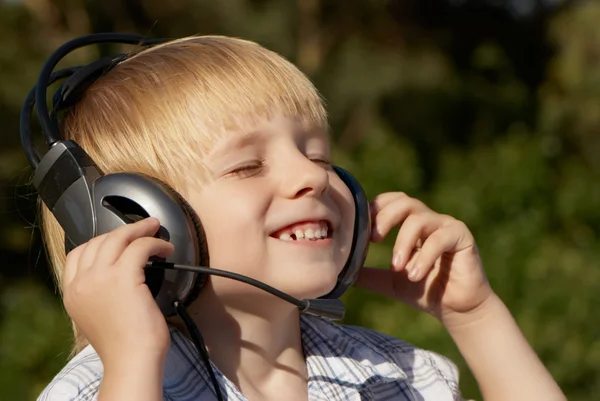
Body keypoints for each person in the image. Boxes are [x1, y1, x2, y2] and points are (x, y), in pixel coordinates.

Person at [34, 35, 566, 401]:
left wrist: (476, 317)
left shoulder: (396, 375)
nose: (311, 179)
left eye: (318, 156)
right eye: (247, 166)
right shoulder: (104, 387)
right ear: (132, 219)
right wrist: (130, 364)